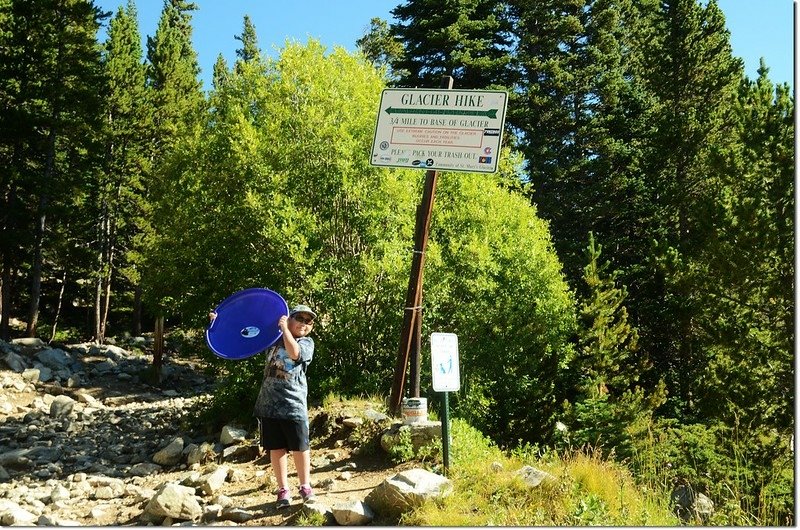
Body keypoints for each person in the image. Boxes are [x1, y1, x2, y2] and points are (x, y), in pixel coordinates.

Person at [209, 303, 318, 509]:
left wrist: (285, 329)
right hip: (268, 405)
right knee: (276, 448)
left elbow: (295, 354)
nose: (304, 324)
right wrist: (219, 322)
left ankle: (305, 487)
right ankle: (283, 490)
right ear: (289, 317)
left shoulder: (307, 343)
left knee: (300, 447)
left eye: (308, 321)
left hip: (293, 405)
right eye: (300, 318)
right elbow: (245, 332)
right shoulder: (272, 338)